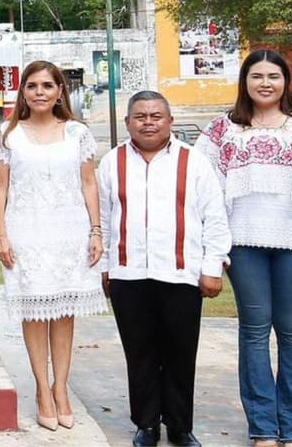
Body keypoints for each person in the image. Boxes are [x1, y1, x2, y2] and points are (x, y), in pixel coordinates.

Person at [194, 49, 292, 447]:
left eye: (274, 76)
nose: (266, 83)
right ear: (244, 81)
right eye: (257, 76)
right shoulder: (222, 129)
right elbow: (205, 192)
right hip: (243, 244)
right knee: (254, 332)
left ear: (285, 81)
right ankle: (263, 428)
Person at [98, 91, 231, 447]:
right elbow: (102, 218)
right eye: (139, 116)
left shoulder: (195, 162)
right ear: (128, 123)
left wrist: (212, 266)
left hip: (181, 273)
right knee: (139, 352)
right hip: (129, 274)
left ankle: (179, 426)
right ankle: (146, 424)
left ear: (170, 121)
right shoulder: (111, 163)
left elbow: (214, 217)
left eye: (156, 115)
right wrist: (105, 267)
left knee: (180, 351)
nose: (148, 122)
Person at [0, 60, 106, 430]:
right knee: (34, 310)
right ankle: (42, 388)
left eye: (47, 86)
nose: (39, 92)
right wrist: (1, 233)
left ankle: (62, 388)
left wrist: (96, 230)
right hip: (26, 230)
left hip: (70, 230)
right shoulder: (9, 135)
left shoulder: (77, 133)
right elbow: (0, 186)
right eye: (32, 86)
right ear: (23, 92)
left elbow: (89, 183)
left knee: (63, 310)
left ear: (59, 92)